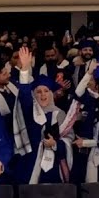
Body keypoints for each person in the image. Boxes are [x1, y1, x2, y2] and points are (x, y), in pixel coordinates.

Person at [14, 47, 73, 184]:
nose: (43, 95)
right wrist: (25, 69)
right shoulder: (30, 111)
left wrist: (56, 144)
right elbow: (24, 95)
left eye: (46, 91)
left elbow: (69, 139)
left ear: (52, 94)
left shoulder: (59, 114)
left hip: (55, 168)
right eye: (38, 92)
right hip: (32, 165)